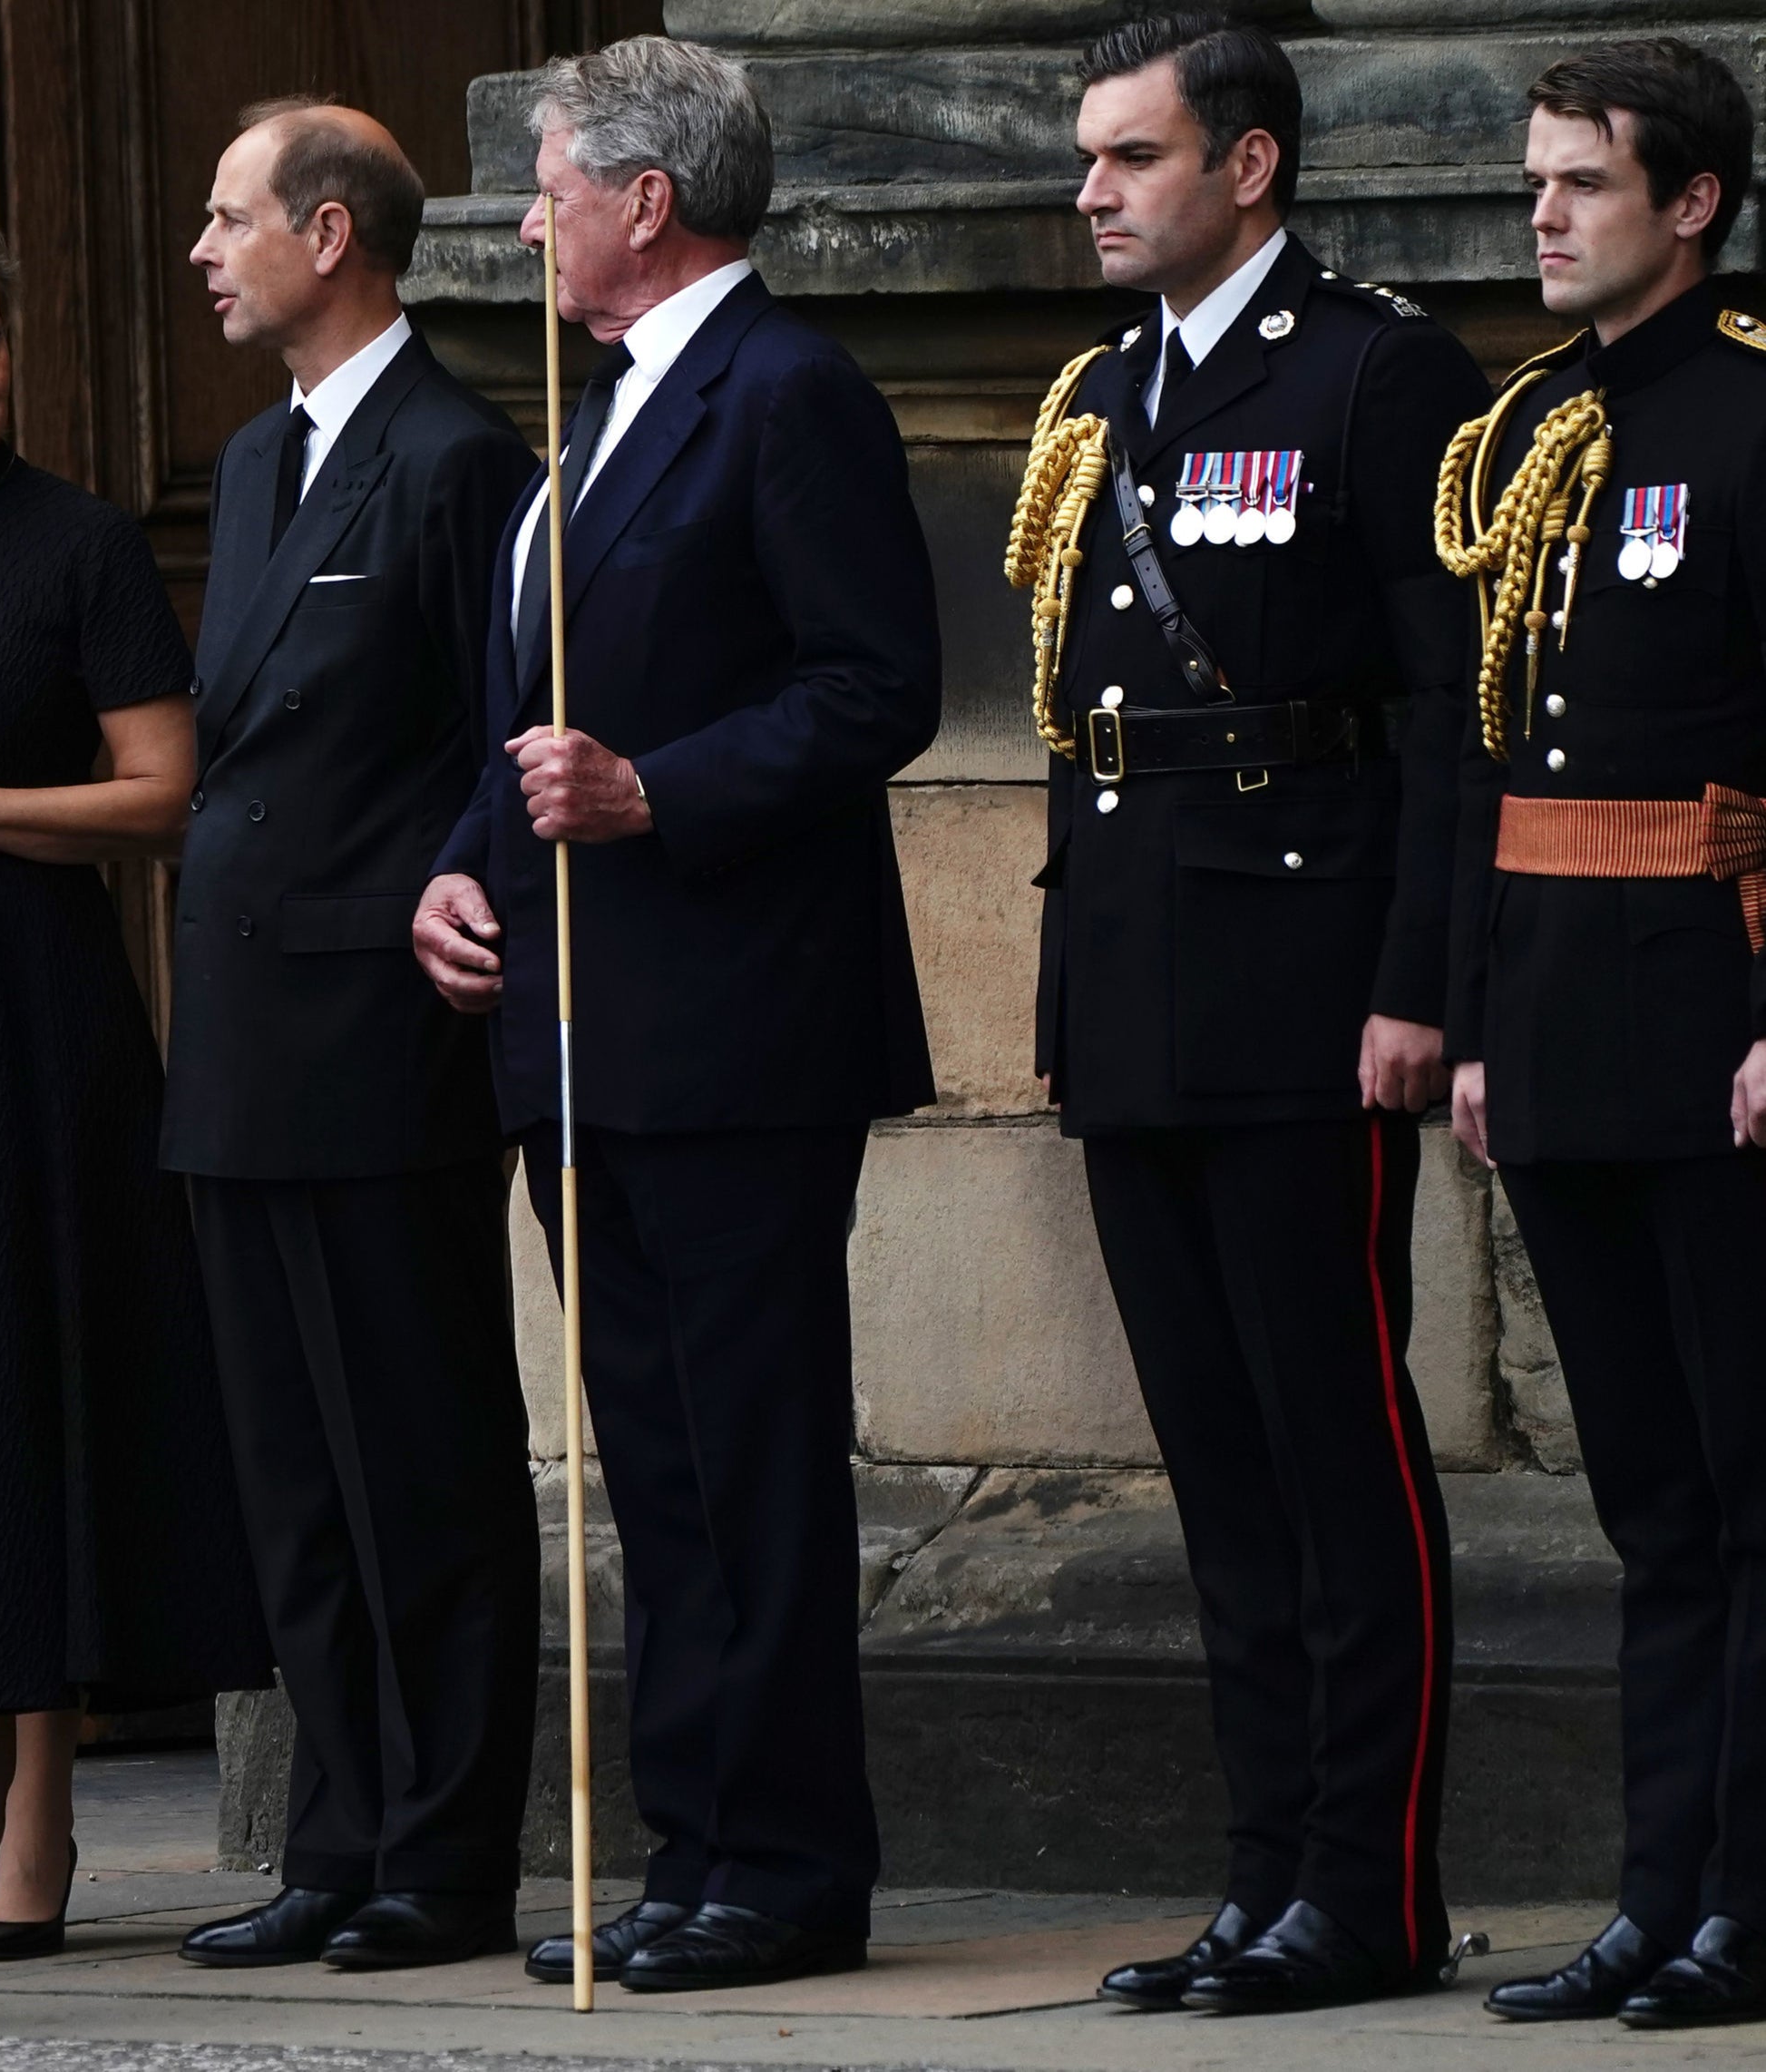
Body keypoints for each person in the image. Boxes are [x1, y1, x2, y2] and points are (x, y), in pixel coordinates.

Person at [415, 36, 939, 1993]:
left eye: (550, 186)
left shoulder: (782, 390)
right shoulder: (591, 406)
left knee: (749, 1452)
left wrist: (656, 789)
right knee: (650, 1457)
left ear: (649, 199)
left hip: (732, 1029)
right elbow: (528, 698)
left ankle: (787, 1858)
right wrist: (461, 856)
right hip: (576, 1027)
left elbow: (869, 683)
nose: (530, 219)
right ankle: (693, 1841)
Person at [1005, 13, 1489, 2017]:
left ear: (1247, 167)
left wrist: (1414, 989)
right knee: (1211, 1460)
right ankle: (1258, 1869)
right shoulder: (1100, 391)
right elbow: (1077, 727)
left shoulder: (1373, 372)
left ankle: (1365, 1887)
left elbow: (1448, 720)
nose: (1092, 192)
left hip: (1303, 993)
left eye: (1129, 157)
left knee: (1331, 1444)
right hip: (1134, 986)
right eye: (1087, 159)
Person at [0, 210, 271, 1963]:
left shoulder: (77, 541)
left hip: (32, 1014)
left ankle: (45, 1825)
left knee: (28, 1390)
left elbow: (166, 797)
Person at [165, 100, 541, 1972]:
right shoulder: (251, 466)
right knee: (292, 1471)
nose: (202, 250)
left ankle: (444, 1849)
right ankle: (331, 1832)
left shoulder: (456, 458)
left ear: (329, 233)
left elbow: (493, 729)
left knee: (418, 1457)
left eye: (230, 220)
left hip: (374, 1028)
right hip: (238, 1027)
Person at [1439, 41, 1766, 2032]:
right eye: (1536, 181)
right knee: (1645, 1505)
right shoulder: (1532, 431)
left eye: (1582, 183)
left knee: (1747, 1496)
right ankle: (1654, 1895)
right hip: (1562, 1018)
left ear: (1692, 203)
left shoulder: (1744, 416)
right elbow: (1488, 754)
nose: (1542, 214)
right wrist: (1481, 1021)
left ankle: (1745, 1893)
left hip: (1713, 1023)